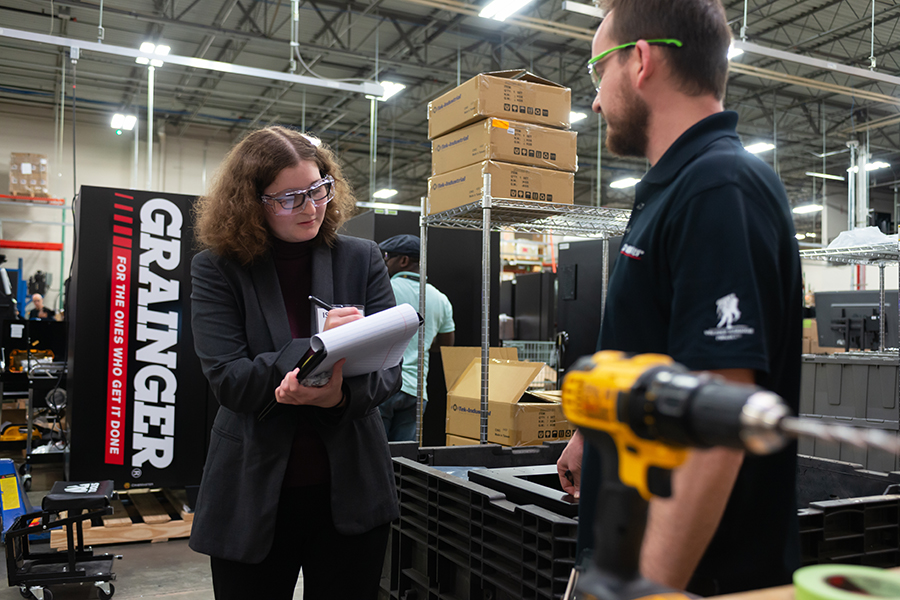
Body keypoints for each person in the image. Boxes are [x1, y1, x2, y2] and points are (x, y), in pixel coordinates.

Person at [556, 0, 802, 595]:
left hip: (698, 575)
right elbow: (660, 350)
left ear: (639, 62)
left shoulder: (719, 187)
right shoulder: (675, 187)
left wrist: (648, 589)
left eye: (596, 73)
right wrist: (595, 432)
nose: (593, 101)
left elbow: (717, 428)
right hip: (632, 545)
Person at [189, 126, 401, 600]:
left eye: (318, 189)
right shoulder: (218, 269)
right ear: (251, 202)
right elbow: (229, 380)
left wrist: (339, 396)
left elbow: (389, 370)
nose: (310, 208)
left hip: (349, 488)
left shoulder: (360, 258)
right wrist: (315, 348)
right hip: (254, 489)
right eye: (289, 198)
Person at [377, 234, 455, 441]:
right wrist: (421, 342)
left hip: (383, 385)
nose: (384, 262)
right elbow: (447, 344)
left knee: (376, 455)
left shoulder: (385, 290)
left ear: (403, 260)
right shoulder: (441, 298)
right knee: (404, 462)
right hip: (417, 390)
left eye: (387, 257)